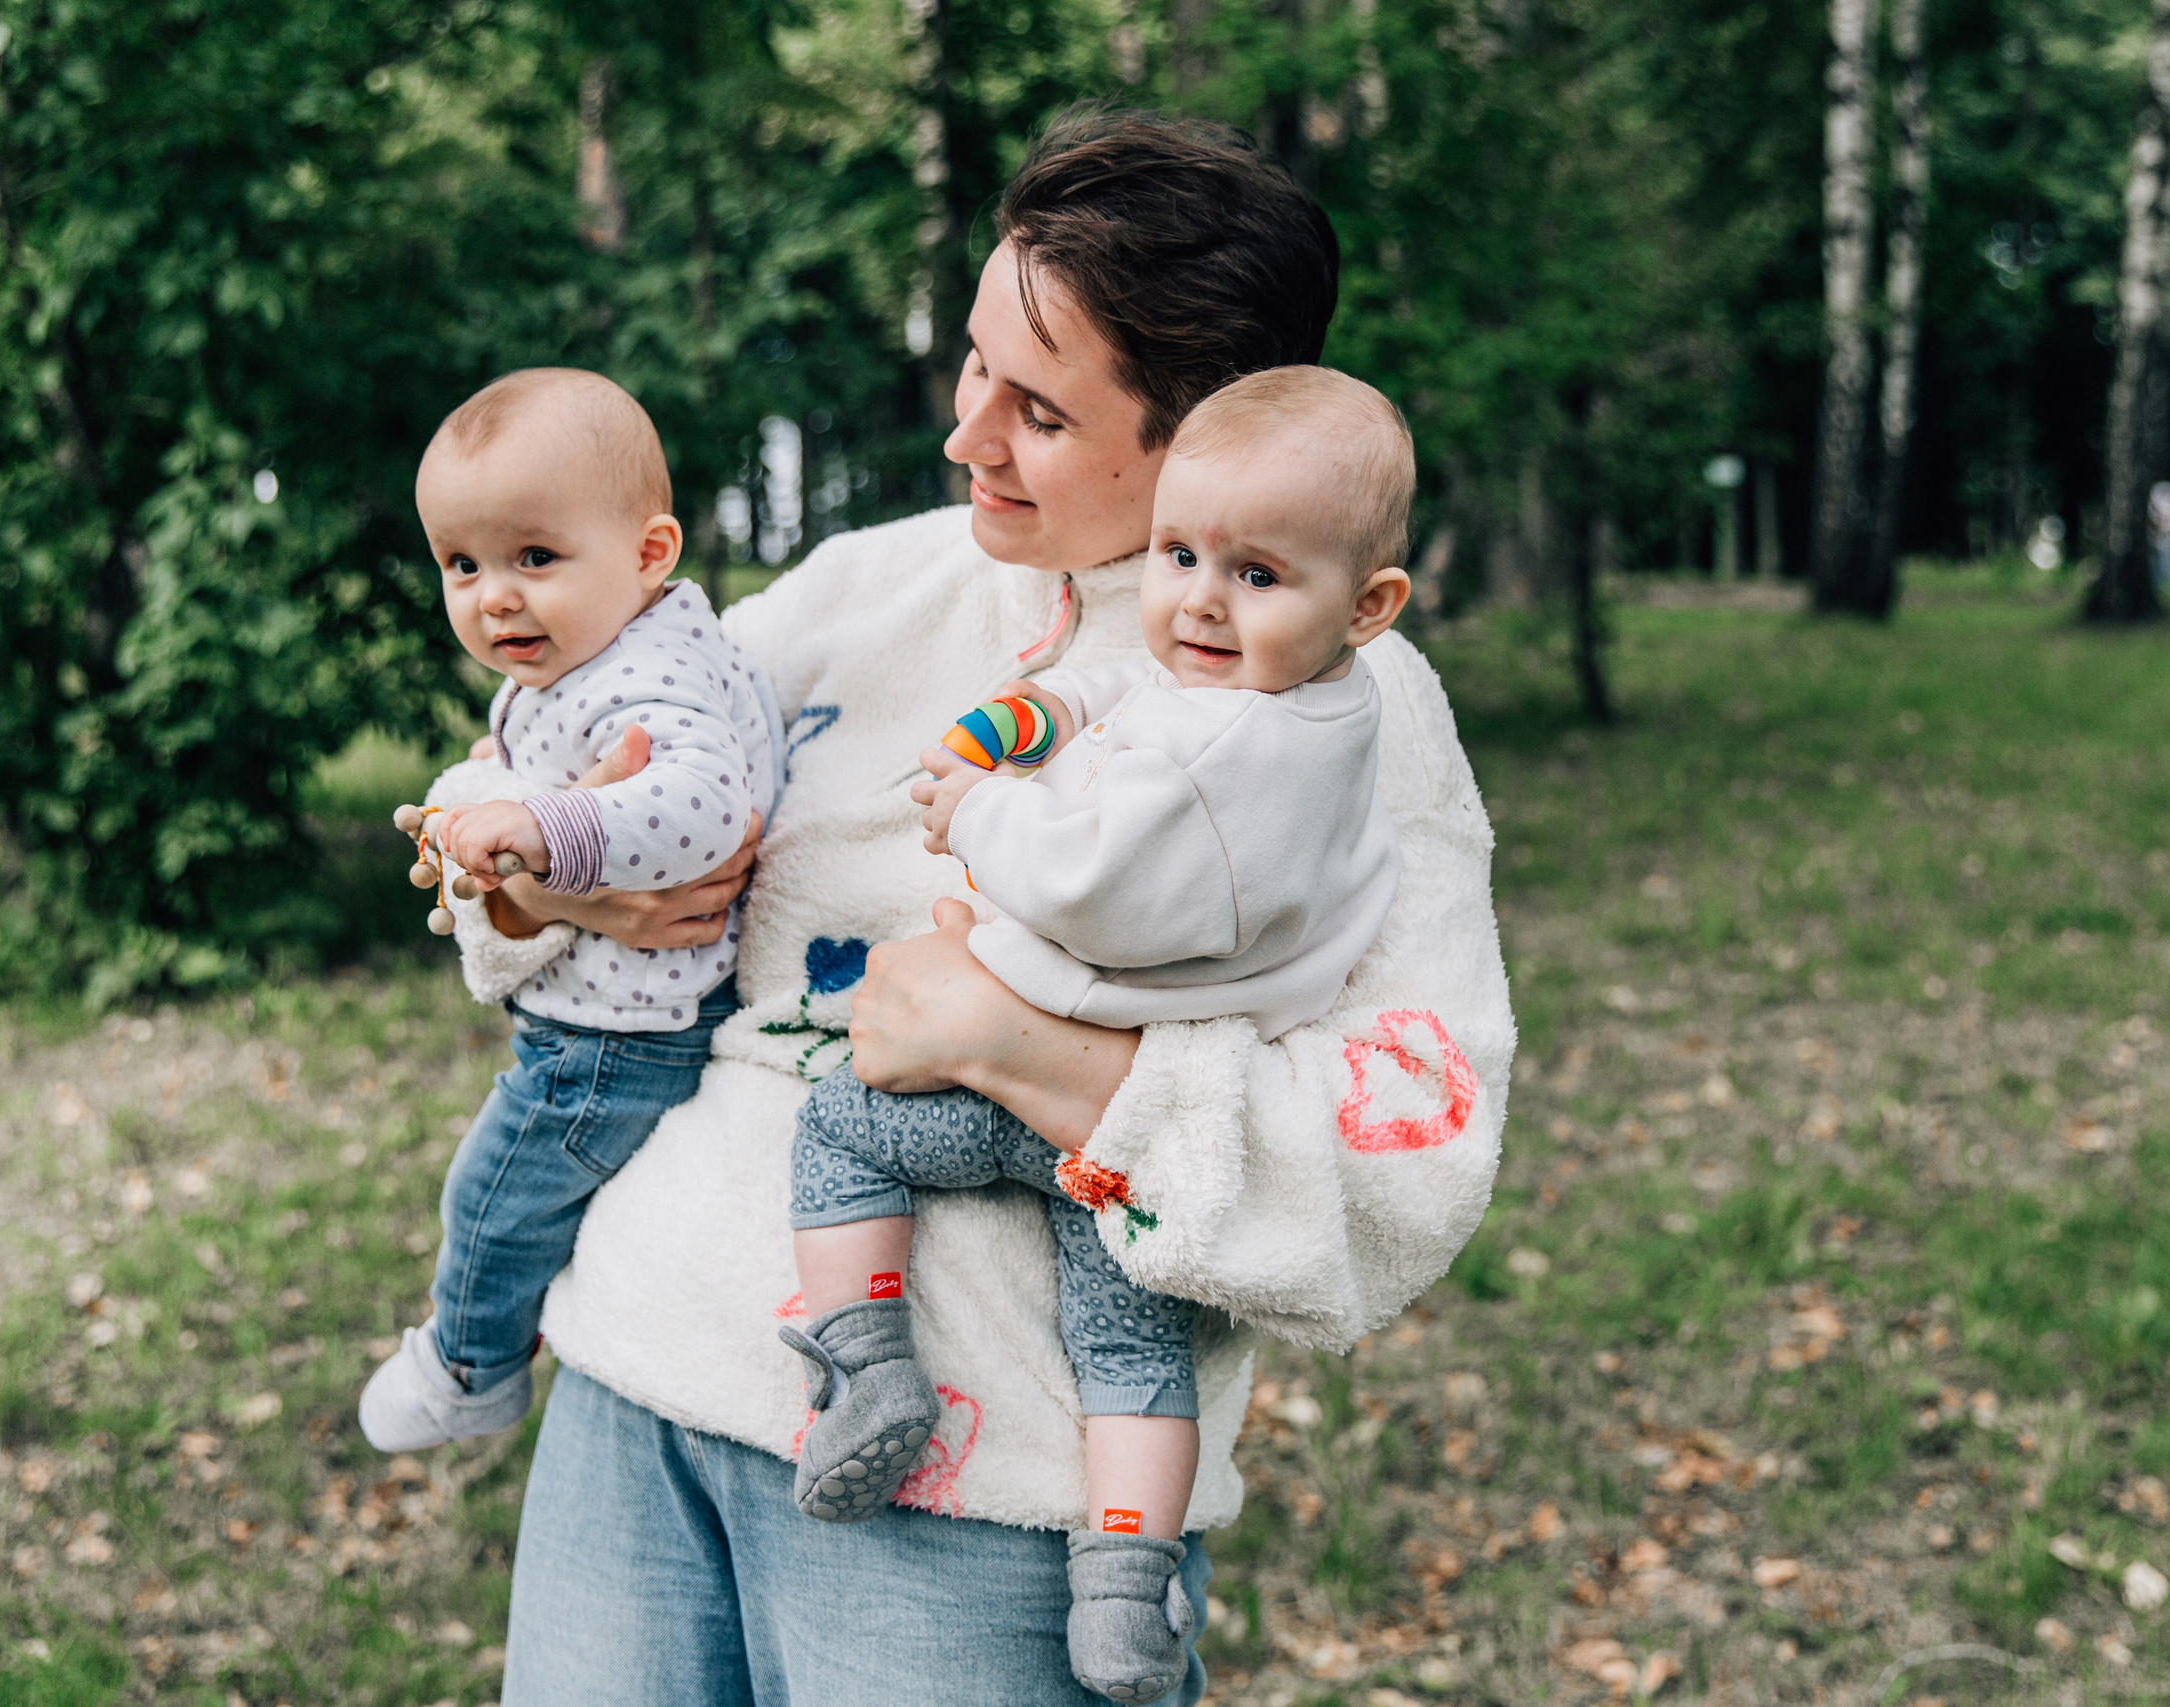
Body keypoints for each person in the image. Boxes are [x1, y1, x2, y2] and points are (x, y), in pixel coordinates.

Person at [422, 106, 1511, 1706]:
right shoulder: (870, 586)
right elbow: (564, 819)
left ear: (1201, 430)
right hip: (637, 1375)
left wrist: (1038, 1056)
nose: (968, 435)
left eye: (1042, 411)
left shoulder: (1346, 717)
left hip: (994, 1504)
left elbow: (1403, 1159)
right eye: (975, 366)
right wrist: (534, 894)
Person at [780, 366, 1415, 1703]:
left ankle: (867, 1358)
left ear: (1369, 604)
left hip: (1050, 1083)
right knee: (1128, 1346)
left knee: (842, 1124)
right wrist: (1046, 710)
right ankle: (1126, 1581)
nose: (1194, 596)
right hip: (1125, 1150)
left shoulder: (1235, 762)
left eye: (1251, 573)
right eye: (1183, 555)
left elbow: (1095, 883)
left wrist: (976, 809)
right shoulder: (1306, 703)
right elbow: (1136, 689)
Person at [360, 369, 782, 1452]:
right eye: (462, 564)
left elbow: (699, 805)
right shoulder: (602, 653)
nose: (493, 595)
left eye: (533, 558)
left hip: (615, 1040)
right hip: (606, 1012)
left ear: (649, 554)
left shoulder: (648, 677)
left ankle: (469, 1367)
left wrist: (546, 834)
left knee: (494, 1193)